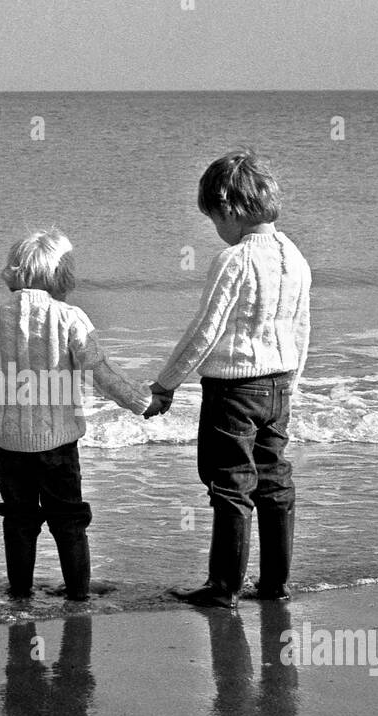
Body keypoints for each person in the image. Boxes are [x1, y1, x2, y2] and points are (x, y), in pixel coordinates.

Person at [0, 229, 165, 600]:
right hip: (58, 442)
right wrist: (141, 401)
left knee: (19, 519)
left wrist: (6, 397)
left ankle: (20, 594)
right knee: (69, 519)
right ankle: (78, 593)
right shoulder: (70, 318)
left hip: (7, 443)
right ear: (61, 276)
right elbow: (101, 373)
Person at [149, 150, 312, 607]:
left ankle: (224, 587)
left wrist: (166, 384)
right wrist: (292, 382)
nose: (215, 230)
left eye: (214, 219)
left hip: (234, 388)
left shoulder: (236, 260)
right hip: (278, 384)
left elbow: (205, 330)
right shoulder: (294, 256)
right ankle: (275, 584)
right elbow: (302, 326)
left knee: (229, 483)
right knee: (274, 482)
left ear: (228, 208)